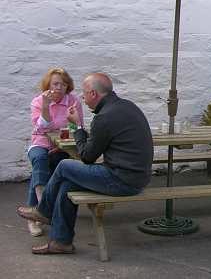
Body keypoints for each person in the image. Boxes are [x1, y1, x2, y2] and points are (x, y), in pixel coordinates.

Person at [17, 72, 154, 255]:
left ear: (93, 94)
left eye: (84, 93)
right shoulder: (127, 106)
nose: (82, 97)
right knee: (67, 185)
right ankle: (61, 242)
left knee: (65, 165)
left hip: (122, 180)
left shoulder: (104, 117)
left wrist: (78, 127)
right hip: (136, 177)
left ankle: (44, 212)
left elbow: (87, 157)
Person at [26, 68, 83, 237]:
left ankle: (37, 212)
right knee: (40, 159)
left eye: (63, 84)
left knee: (60, 165)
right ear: (48, 85)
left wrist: (65, 140)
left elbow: (76, 126)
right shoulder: (38, 101)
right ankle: (40, 209)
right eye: (55, 84)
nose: (59, 88)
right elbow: (42, 128)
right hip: (40, 141)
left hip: (63, 144)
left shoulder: (73, 101)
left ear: (68, 86)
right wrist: (45, 106)